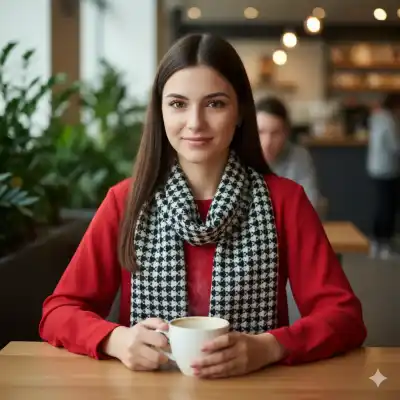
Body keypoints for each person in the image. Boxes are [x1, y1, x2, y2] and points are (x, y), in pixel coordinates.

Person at [39, 33, 366, 379]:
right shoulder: (125, 202)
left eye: (215, 104)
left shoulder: (285, 201)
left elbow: (344, 318)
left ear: (240, 112)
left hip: (257, 388)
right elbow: (58, 312)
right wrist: (115, 339)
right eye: (178, 104)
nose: (195, 122)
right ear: (160, 111)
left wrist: (269, 346)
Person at [255, 96, 320, 208]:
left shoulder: (299, 156)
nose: (267, 142)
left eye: (275, 133)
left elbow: (309, 205)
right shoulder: (240, 156)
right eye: (261, 132)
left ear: (286, 133)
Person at [367, 93, 400, 260]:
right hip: (387, 169)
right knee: (387, 207)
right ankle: (384, 245)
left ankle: (376, 243)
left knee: (381, 206)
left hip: (376, 167)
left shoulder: (376, 116)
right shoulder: (389, 120)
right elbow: (395, 146)